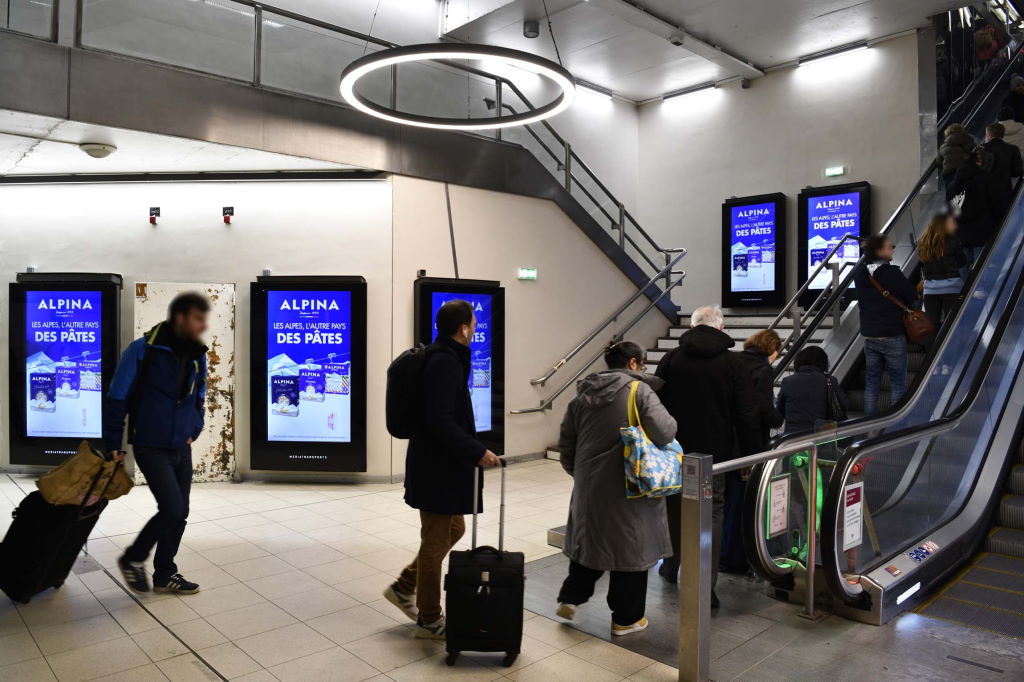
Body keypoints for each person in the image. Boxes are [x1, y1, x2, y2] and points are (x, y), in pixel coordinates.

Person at [384, 300, 502, 640]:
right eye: (474, 323)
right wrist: (476, 451)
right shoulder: (443, 362)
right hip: (437, 467)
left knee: (455, 528)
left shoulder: (448, 358)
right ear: (463, 328)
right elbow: (438, 419)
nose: (476, 327)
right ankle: (429, 618)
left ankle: (405, 585)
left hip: (442, 464)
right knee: (435, 543)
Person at [554, 342, 677, 636]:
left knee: (592, 543)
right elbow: (666, 431)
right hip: (630, 483)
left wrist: (581, 474)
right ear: (634, 362)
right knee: (631, 550)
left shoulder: (582, 395)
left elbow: (566, 442)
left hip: (590, 484)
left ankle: (571, 598)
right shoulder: (639, 391)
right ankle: (626, 618)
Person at [655, 305, 760, 607]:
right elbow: (747, 413)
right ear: (721, 328)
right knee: (712, 513)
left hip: (675, 451)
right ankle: (705, 585)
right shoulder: (733, 362)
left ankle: (671, 565)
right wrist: (750, 457)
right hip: (716, 455)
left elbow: (656, 404)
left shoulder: (671, 358)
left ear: (692, 327)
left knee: (674, 506)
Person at [106, 292, 210, 595]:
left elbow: (200, 394)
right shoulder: (143, 350)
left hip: (181, 445)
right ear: (180, 318)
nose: (203, 325)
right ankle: (133, 558)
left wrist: (196, 427)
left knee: (181, 512)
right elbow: (117, 395)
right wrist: (113, 439)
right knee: (172, 509)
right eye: (198, 318)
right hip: (151, 444)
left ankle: (165, 573)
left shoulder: (196, 353)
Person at [719, 330, 784, 574]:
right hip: (747, 445)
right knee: (742, 500)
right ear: (773, 350)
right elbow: (763, 409)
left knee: (725, 500)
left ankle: (721, 552)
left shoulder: (732, 361)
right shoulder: (764, 370)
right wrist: (779, 418)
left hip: (724, 439)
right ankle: (734, 557)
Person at [853, 235, 917, 415]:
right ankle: (894, 425)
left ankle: (868, 423)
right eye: (890, 247)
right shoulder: (892, 273)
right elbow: (910, 295)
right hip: (892, 334)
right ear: (879, 251)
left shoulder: (860, 273)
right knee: (897, 383)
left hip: (870, 335)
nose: (893, 249)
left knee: (872, 382)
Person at [919, 213, 968, 347]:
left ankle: (930, 358)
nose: (955, 225)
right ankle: (950, 355)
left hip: (930, 291)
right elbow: (962, 264)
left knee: (931, 326)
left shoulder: (924, 242)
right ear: (944, 225)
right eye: (952, 222)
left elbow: (922, 265)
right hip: (952, 288)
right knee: (951, 324)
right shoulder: (953, 241)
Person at [777, 346, 849, 434]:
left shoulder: (787, 381)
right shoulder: (829, 381)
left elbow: (780, 410)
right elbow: (844, 405)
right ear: (823, 363)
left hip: (792, 436)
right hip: (820, 435)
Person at [949, 148, 1004, 261]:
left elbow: (951, 208)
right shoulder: (987, 180)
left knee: (963, 267)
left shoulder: (953, 183)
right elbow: (996, 205)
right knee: (982, 265)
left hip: (960, 233)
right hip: (982, 232)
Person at [982, 122, 1023, 201]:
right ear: (1002, 134)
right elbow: (1017, 171)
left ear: (989, 135)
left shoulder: (980, 149)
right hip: (1004, 189)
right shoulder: (1013, 149)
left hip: (983, 190)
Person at [939, 123, 975, 191]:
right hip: (967, 172)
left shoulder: (943, 147)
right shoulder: (969, 140)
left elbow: (939, 162)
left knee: (953, 197)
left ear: (947, 133)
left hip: (950, 175)